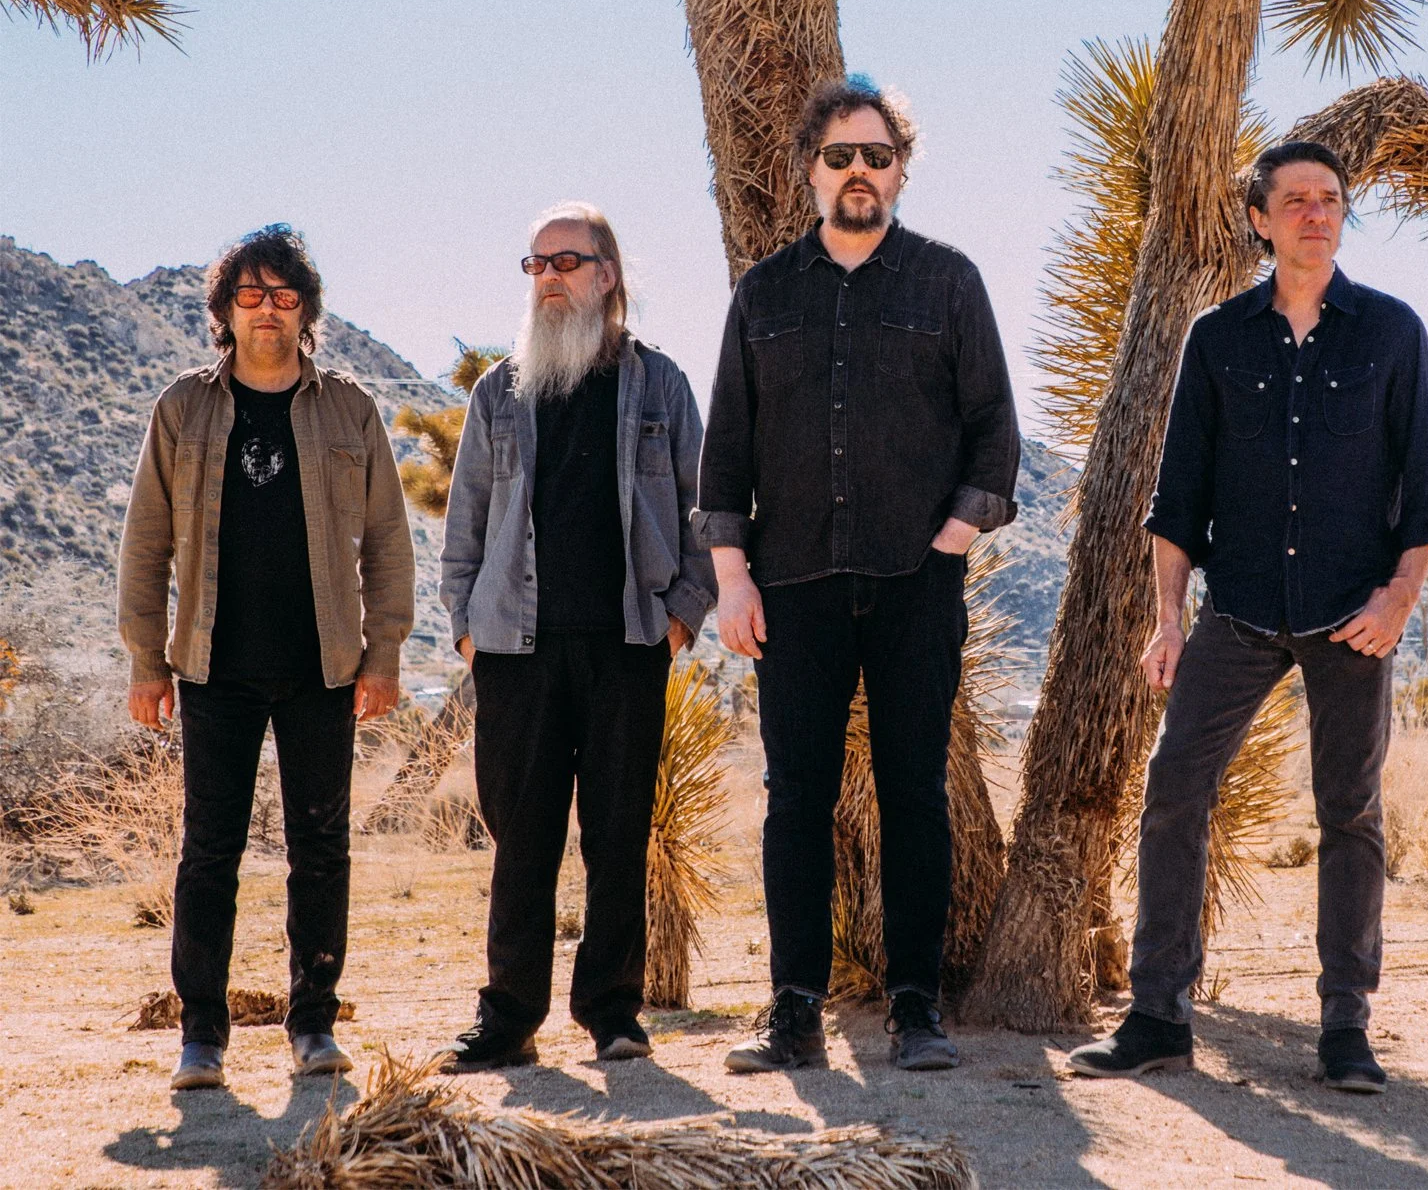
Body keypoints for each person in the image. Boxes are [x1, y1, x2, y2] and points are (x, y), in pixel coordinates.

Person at [1064, 141, 1428, 1090]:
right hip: (1235, 610)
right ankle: (1158, 1017)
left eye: (1330, 199)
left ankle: (1345, 1030)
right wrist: (1168, 618)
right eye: (1295, 201)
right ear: (1260, 220)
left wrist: (1399, 598)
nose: (1316, 214)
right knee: (1173, 792)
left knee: (1350, 813)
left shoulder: (1392, 333)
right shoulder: (1217, 336)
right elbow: (1178, 493)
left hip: (1350, 616)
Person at [699, 76, 1019, 1073]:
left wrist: (949, 545)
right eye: (839, 156)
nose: (857, 173)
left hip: (915, 580)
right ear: (811, 169)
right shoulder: (764, 294)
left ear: (900, 169)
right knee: (794, 793)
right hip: (790, 583)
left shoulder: (948, 282)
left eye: (875, 156)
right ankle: (792, 1011)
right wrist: (731, 578)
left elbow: (994, 436)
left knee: (911, 790)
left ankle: (913, 1007)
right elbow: (726, 454)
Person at [118, 224, 413, 1091]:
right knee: (209, 851)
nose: (267, 311)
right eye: (250, 295)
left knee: (320, 851)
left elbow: (389, 542)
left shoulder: (348, 408)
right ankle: (201, 1035)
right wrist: (147, 661)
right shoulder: (183, 408)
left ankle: (312, 1026)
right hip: (213, 666)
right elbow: (145, 544)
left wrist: (383, 653)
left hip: (324, 665)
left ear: (305, 311)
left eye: (284, 296)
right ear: (225, 310)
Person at [436, 201, 714, 1071]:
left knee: (617, 834)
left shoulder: (659, 386)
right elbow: (467, 524)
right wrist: (464, 634)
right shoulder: (499, 392)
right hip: (515, 648)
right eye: (536, 265)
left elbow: (703, 508)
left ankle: (613, 1012)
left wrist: (681, 617)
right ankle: (509, 1017)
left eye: (566, 261)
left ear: (607, 276)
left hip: (628, 642)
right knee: (522, 837)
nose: (548, 278)